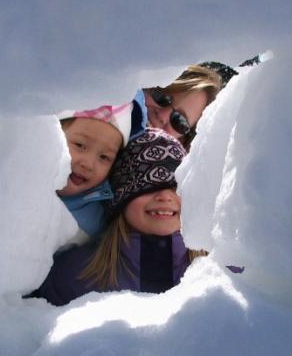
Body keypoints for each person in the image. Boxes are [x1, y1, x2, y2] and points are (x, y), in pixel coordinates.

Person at [32, 128, 206, 306]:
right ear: (121, 197)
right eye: (147, 186)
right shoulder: (77, 273)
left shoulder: (214, 269)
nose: (165, 196)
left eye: (175, 187)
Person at [56, 101, 146, 239]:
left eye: (104, 157)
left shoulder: (93, 224)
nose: (88, 164)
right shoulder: (16, 172)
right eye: (80, 145)